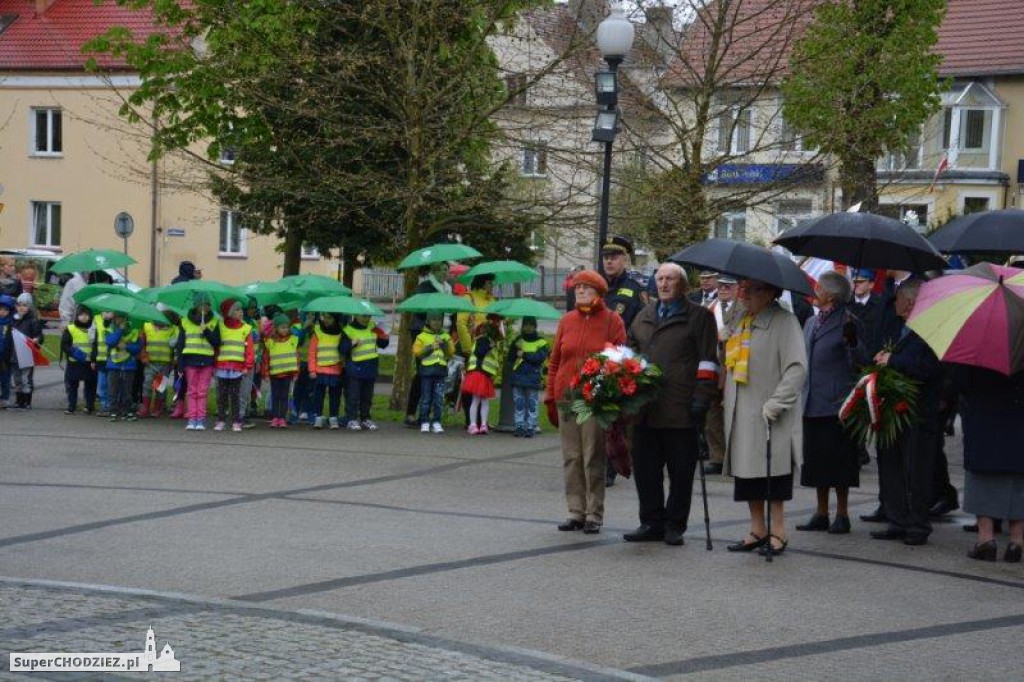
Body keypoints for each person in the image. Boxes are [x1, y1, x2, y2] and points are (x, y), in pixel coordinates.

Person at [624, 262, 720, 546]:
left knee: (680, 472)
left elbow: (708, 361)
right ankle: (650, 522)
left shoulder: (699, 317)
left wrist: (702, 398)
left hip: (681, 407)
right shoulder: (643, 315)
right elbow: (628, 355)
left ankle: (674, 524)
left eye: (670, 279)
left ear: (682, 285)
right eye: (660, 279)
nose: (664, 284)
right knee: (646, 470)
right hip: (645, 409)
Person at [723, 279, 807, 556]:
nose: (744, 294)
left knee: (773, 474)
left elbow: (797, 368)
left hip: (769, 411)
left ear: (770, 292)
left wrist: (776, 403)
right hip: (741, 410)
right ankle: (757, 528)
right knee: (747, 474)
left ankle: (778, 530)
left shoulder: (785, 322)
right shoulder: (740, 319)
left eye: (753, 290)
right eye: (743, 289)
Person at [545, 269, 627, 535]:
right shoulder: (567, 320)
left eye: (586, 287)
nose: (579, 291)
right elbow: (555, 360)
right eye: (577, 287)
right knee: (571, 456)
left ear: (599, 292)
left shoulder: (612, 320)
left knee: (593, 455)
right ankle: (575, 511)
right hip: (566, 396)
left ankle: (594, 513)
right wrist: (550, 394)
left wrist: (607, 394)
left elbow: (619, 360)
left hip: (594, 397)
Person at [870, 278, 943, 546]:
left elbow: (927, 369)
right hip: (895, 413)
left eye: (898, 298)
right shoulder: (903, 327)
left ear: (910, 301)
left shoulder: (929, 330)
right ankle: (897, 519)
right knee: (893, 468)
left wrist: (894, 360)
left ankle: (917, 524)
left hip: (918, 414)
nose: (894, 303)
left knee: (917, 471)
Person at [795, 271, 868, 535]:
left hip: (837, 403)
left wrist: (852, 343)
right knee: (817, 462)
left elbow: (860, 361)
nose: (815, 290)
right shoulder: (811, 322)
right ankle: (821, 512)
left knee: (839, 462)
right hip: (811, 400)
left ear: (832, 294)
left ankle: (842, 513)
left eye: (819, 287)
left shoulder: (850, 321)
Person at [951, 366, 1024, 563]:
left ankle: (986, 540)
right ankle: (1016, 541)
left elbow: (959, 382)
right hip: (1019, 421)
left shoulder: (979, 343)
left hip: (984, 421)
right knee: (1019, 483)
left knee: (982, 482)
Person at [600, 235, 645, 486]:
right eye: (606, 256)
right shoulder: (595, 285)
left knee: (615, 418)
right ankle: (601, 461)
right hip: (595, 360)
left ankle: (611, 465)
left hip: (620, 360)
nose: (609, 261)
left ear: (625, 258)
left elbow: (640, 327)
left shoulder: (634, 289)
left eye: (614, 256)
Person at [703, 274, 745, 475]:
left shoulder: (744, 308)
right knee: (712, 413)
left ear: (737, 288)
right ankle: (716, 456)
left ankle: (736, 456)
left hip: (736, 366)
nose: (723, 290)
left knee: (734, 412)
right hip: (714, 365)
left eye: (728, 287)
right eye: (720, 286)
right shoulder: (710, 308)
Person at [404, 262, 453, 427]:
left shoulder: (448, 289)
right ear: (435, 271)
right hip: (422, 331)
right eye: (443, 269)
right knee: (422, 372)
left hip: (441, 333)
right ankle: (412, 412)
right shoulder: (425, 286)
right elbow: (418, 309)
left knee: (438, 372)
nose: (446, 273)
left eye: (448, 270)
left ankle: (432, 413)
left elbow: (451, 312)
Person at [176, 294, 220, 431]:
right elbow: (180, 344)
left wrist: (206, 330)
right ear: (196, 306)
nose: (205, 307)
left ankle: (200, 419)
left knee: (202, 391)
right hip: (190, 360)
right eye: (202, 304)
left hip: (207, 361)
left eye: (207, 304)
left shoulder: (214, 321)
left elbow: (217, 342)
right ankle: (191, 418)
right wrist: (180, 364)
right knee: (191, 390)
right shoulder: (185, 321)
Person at [340, 313, 389, 430]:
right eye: (364, 316)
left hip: (370, 367)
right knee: (353, 396)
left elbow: (383, 345)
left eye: (368, 316)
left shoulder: (373, 328)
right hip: (355, 368)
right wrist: (351, 344)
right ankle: (351, 419)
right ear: (356, 315)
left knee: (367, 396)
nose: (366, 319)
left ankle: (365, 418)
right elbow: (342, 349)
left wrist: (384, 335)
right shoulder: (348, 330)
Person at [214, 299, 254, 432]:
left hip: (237, 368)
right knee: (222, 396)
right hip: (222, 367)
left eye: (241, 309)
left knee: (236, 396)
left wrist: (247, 366)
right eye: (237, 310)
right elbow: (216, 346)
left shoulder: (246, 328)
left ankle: (236, 421)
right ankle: (221, 420)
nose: (241, 312)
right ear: (229, 313)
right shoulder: (220, 326)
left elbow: (249, 350)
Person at [413, 311, 455, 434]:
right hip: (427, 372)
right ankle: (424, 421)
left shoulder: (445, 336)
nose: (436, 322)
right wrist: (431, 347)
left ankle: (436, 421)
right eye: (434, 320)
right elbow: (417, 352)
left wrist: (444, 345)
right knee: (426, 398)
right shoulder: (421, 336)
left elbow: (451, 353)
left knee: (438, 399)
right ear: (428, 321)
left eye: (439, 320)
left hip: (440, 372)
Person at [461, 316, 503, 435]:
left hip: (483, 374)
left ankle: (482, 424)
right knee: (478, 400)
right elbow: (479, 353)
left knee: (482, 400)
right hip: (479, 373)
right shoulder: (483, 340)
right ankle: (474, 424)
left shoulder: (487, 341)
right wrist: (490, 347)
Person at [509, 316, 548, 438]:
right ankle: (519, 426)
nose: (528, 327)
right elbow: (510, 359)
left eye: (531, 324)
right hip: (518, 376)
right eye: (526, 324)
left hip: (533, 376)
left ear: (535, 326)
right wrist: (515, 351)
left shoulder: (541, 342)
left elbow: (539, 358)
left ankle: (531, 426)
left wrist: (524, 354)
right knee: (519, 403)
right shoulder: (517, 341)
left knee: (532, 403)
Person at [262, 313, 300, 429]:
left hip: (288, 374)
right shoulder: (270, 342)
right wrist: (266, 373)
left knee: (284, 396)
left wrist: (296, 373)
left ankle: (282, 418)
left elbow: (296, 357)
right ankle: (275, 417)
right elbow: (266, 358)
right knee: (275, 396)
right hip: (275, 374)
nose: (285, 329)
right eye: (282, 327)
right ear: (276, 328)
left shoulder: (293, 339)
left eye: (287, 327)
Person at [138, 313, 178, 418]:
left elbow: (175, 346)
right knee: (147, 384)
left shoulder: (172, 329)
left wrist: (174, 359)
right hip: (150, 363)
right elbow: (142, 343)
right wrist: (143, 356)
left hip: (165, 363)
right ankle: (145, 407)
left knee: (160, 387)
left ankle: (157, 408)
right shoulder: (146, 326)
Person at [308, 312, 344, 430]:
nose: (326, 320)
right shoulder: (317, 332)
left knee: (335, 395)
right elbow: (312, 353)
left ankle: (333, 417)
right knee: (318, 395)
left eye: (329, 318)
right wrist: (312, 370)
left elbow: (343, 351)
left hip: (335, 370)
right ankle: (318, 416)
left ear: (336, 319)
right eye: (325, 317)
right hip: (320, 370)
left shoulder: (341, 333)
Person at [104, 312, 143, 421]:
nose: (120, 320)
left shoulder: (134, 331)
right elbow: (110, 342)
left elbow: (137, 348)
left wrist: (126, 346)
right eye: (118, 318)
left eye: (123, 318)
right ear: (114, 319)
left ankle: (127, 410)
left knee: (127, 390)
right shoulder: (109, 329)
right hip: (114, 365)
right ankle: (113, 411)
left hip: (129, 365)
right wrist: (120, 330)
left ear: (127, 319)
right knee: (113, 390)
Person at [61, 305, 98, 414]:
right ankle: (71, 406)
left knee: (90, 386)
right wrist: (73, 352)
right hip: (74, 361)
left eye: (86, 315)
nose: (84, 317)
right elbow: (64, 345)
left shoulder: (94, 328)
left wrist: (93, 358)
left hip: (89, 362)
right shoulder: (70, 328)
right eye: (81, 315)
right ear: (77, 316)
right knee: (72, 386)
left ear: (90, 316)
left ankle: (89, 406)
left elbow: (96, 345)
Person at [11, 293, 44, 409]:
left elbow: (39, 335)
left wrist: (36, 339)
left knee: (26, 379)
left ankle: (27, 401)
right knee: (17, 379)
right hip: (14, 354)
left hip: (26, 355)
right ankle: (18, 401)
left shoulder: (33, 321)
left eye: (24, 305)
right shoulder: (13, 319)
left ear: (29, 307)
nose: (21, 307)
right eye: (19, 305)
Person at [92, 310, 114, 416]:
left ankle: (111, 406)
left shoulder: (116, 321)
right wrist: (93, 359)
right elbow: (95, 341)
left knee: (112, 385)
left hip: (113, 359)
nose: (107, 313)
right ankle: (105, 406)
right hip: (101, 359)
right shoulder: (97, 319)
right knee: (102, 386)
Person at [0, 295, 16, 408]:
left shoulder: (12, 324)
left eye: (5, 310)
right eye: (0, 309)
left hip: (5, 357)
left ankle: (5, 398)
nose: (2, 312)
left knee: (5, 378)